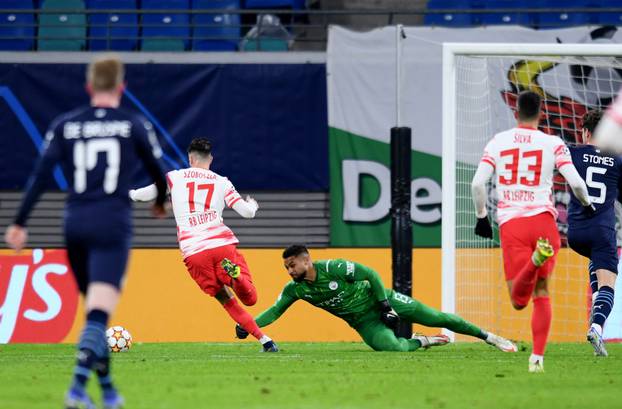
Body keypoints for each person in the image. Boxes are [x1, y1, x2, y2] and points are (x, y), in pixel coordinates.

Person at [4, 54, 168, 409]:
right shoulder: (133, 124)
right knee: (98, 314)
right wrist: (160, 201)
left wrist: (19, 222)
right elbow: (158, 169)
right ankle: (77, 388)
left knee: (93, 310)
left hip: (74, 224)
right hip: (112, 224)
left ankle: (108, 391)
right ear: (121, 87)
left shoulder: (65, 124)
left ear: (89, 86)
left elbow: (40, 176)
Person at [471, 90, 593, 372]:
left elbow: (478, 184)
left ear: (516, 113)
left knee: (517, 301)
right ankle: (537, 358)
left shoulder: (499, 141)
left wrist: (481, 218)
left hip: (513, 224)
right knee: (542, 292)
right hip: (544, 223)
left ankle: (535, 260)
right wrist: (587, 205)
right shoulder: (553, 143)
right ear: (541, 114)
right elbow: (576, 184)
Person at [129, 137, 278, 353]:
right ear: (211, 158)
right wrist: (253, 206)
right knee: (251, 298)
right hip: (221, 245)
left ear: (190, 158)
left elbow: (142, 196)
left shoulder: (174, 178)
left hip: (194, 252)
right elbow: (246, 213)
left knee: (226, 299)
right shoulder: (222, 181)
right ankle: (236, 277)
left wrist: (127, 194)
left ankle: (265, 341)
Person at [234, 244, 518, 354]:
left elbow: (370, 273)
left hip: (383, 301)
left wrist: (385, 305)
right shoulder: (295, 289)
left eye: (292, 265)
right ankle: (423, 341)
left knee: (440, 317)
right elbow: (274, 311)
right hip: (363, 322)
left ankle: (491, 338)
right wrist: (249, 324)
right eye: (287, 267)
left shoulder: (332, 268)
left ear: (307, 261)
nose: (290, 270)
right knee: (394, 349)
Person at [567, 109, 620, 357]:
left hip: (575, 233)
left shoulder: (572, 154)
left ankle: (597, 301)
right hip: (602, 230)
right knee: (608, 282)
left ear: (585, 132)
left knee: (595, 265)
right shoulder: (617, 160)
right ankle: (597, 327)